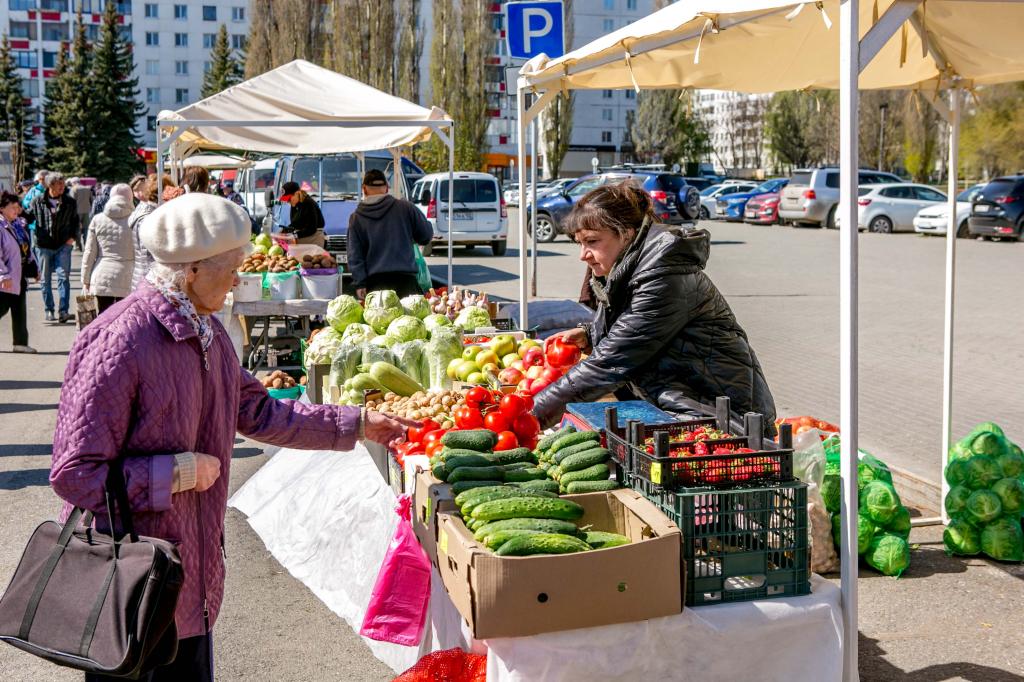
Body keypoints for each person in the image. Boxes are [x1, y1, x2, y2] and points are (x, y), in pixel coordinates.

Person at [50, 193, 415, 682]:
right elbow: (75, 475)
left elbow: (259, 411)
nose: (239, 280)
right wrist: (176, 473)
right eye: (232, 268)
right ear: (192, 271)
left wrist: (356, 423)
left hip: (190, 585)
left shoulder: (208, 333)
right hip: (132, 584)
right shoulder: (118, 340)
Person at [531, 182, 777, 432]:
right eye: (579, 243)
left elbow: (610, 362)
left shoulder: (664, 276)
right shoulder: (629, 268)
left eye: (592, 242)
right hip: (683, 409)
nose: (583, 255)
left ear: (626, 233)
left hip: (725, 420)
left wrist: (528, 417)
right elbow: (633, 328)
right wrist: (590, 334)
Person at [346, 169, 432, 300]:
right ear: (386, 188)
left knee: (380, 320)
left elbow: (354, 255)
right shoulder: (405, 208)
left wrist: (360, 283)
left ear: (364, 189)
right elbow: (425, 236)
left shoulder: (356, 218)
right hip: (406, 283)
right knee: (408, 320)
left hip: (375, 288)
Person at [24, 172, 79, 323]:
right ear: (50, 186)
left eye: (62, 183)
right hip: (43, 246)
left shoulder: (70, 202)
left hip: (63, 245)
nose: (62, 186)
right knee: (45, 280)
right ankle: (49, 310)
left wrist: (72, 238)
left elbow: (75, 221)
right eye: (58, 184)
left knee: (63, 277)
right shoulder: (37, 201)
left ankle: (63, 311)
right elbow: (27, 217)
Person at [82, 183, 135, 314]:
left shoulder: (97, 219)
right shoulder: (136, 219)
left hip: (102, 276)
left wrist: (85, 280)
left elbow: (89, 252)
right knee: (125, 320)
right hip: (129, 276)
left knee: (104, 318)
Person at [0, 191, 37, 353]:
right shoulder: (1, 227)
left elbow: (27, 250)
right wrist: (3, 274)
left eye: (18, 207)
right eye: (12, 207)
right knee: (1, 308)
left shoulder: (18, 225)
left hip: (19, 273)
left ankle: (20, 343)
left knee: (19, 309)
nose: (17, 210)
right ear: (2, 209)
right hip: (6, 276)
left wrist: (35, 268)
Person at [129, 174, 176, 291]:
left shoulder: (146, 212)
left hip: (145, 278)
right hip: (150, 281)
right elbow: (150, 254)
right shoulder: (149, 218)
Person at [277, 181, 325, 248]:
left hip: (313, 239)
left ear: (297, 193)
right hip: (303, 238)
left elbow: (311, 228)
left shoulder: (309, 203)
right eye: (286, 200)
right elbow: (295, 223)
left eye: (289, 199)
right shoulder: (295, 205)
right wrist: (284, 231)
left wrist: (293, 235)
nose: (288, 202)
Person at [69, 177, 93, 251]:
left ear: (74, 183)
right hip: (87, 210)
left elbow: (72, 201)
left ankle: (78, 245)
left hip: (77, 212)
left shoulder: (73, 189)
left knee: (77, 229)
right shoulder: (87, 188)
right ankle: (87, 245)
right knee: (86, 229)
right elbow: (91, 200)